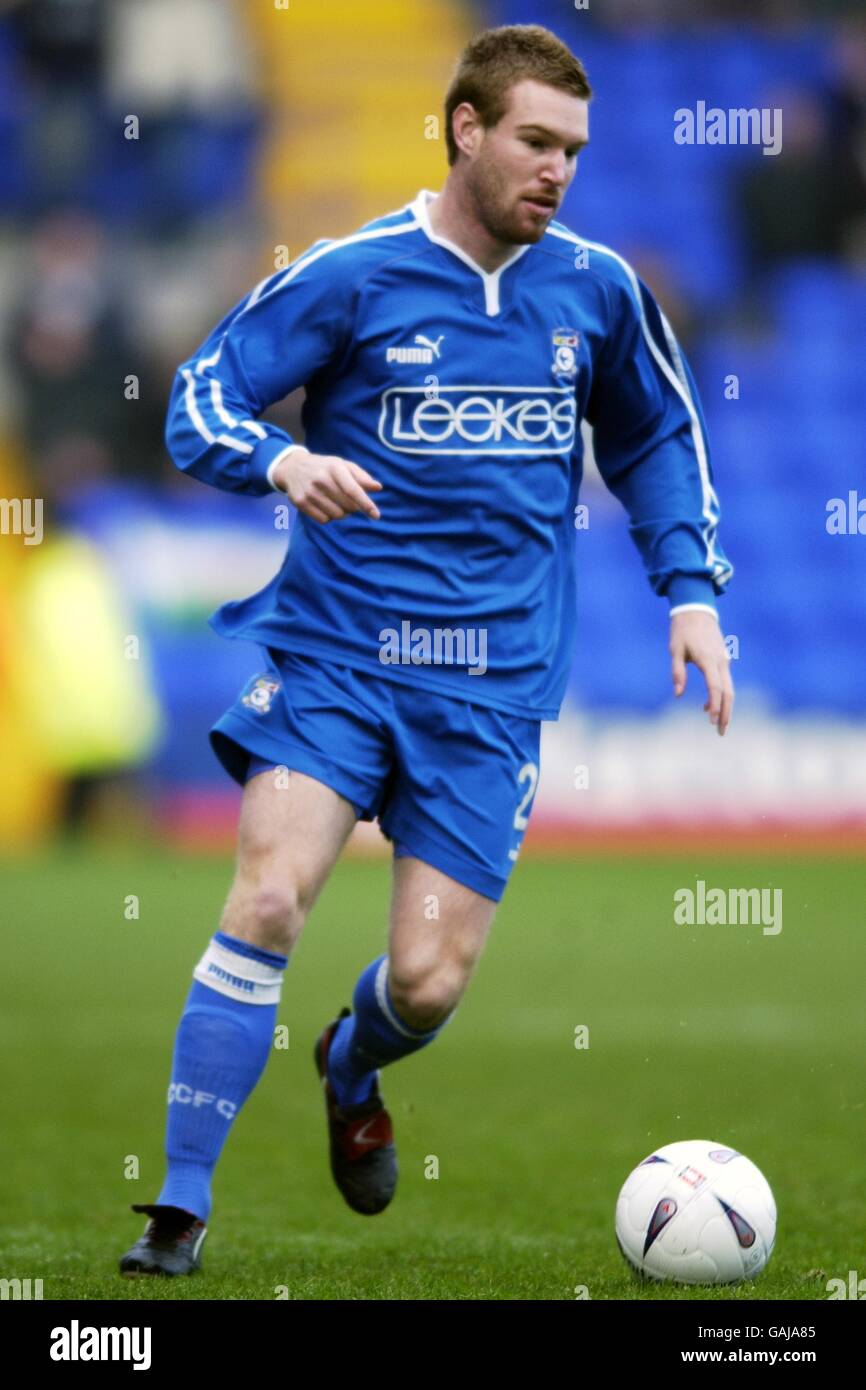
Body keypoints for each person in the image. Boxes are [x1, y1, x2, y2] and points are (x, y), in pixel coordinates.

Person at [120, 23, 733, 1277]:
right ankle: (178, 1208)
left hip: (492, 686)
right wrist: (282, 458)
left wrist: (689, 593)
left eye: (572, 149)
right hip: (336, 654)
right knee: (270, 893)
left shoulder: (597, 291)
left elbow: (656, 441)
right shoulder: (352, 274)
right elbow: (200, 397)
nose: (557, 170)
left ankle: (351, 1062)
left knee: (429, 983)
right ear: (465, 129)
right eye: (533, 142)